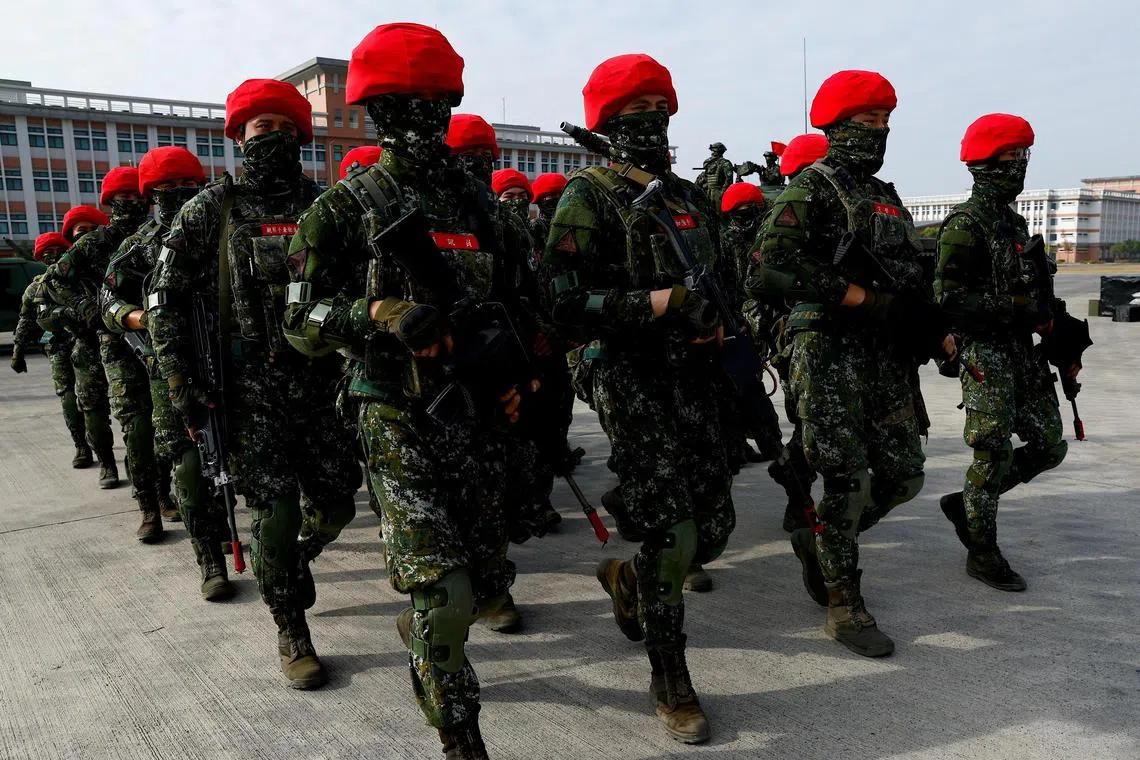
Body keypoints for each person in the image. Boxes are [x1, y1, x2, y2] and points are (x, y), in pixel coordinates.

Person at [282, 24, 539, 757]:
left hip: (479, 414)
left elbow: (523, 307)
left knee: (488, 580)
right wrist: (378, 313)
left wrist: (515, 380)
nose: (420, 112)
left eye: (434, 98)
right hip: (393, 409)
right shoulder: (343, 208)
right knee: (445, 590)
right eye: (402, 99)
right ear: (375, 109)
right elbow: (297, 317)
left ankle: (431, 626)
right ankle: (461, 738)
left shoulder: (484, 206)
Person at [540, 52, 734, 745]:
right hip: (631, 374)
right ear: (606, 122)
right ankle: (670, 674)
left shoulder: (686, 198)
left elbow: (723, 283)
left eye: (660, 110)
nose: (651, 122)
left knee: (714, 527)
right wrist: (657, 302)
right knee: (672, 529)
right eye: (635, 112)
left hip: (698, 379)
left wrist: (721, 327)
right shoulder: (587, 196)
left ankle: (627, 577)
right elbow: (559, 301)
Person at [146, 78, 361, 688]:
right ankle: (292, 627)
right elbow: (163, 299)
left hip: (323, 384)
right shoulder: (210, 209)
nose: (274, 138)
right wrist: (180, 378)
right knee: (274, 510)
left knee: (339, 498)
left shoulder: (327, 205)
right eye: (261, 128)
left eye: (286, 128)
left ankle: (289, 562)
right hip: (248, 390)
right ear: (238, 137)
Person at [747, 70, 954, 658]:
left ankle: (824, 543)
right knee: (847, 477)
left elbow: (910, 278)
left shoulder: (885, 197)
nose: (880, 131)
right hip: (829, 351)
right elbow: (769, 265)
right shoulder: (810, 188)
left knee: (903, 476)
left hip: (885, 357)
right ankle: (844, 603)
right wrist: (859, 297)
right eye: (869, 122)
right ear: (837, 126)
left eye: (886, 122)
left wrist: (933, 329)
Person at [934, 113, 1075, 591]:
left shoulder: (1015, 225)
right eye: (1008, 158)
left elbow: (1041, 294)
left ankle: (967, 502)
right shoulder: (964, 225)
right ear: (982, 165)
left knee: (1050, 444)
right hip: (986, 354)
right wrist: (1015, 308)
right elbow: (948, 299)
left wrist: (1061, 336)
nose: (1017, 167)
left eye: (1022, 157)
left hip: (1023, 354)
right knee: (991, 454)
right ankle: (982, 547)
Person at [101, 145, 236, 600]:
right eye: (169, 187)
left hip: (232, 364)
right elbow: (110, 302)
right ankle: (210, 559)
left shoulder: (225, 233)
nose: (181, 194)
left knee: (230, 459)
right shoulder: (139, 246)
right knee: (190, 463)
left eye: (188, 186)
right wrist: (142, 318)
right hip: (171, 372)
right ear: (151, 194)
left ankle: (222, 526)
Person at [11, 232, 91, 468]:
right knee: (67, 397)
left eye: (57, 251)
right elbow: (25, 320)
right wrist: (18, 350)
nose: (51, 256)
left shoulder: (81, 281)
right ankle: (81, 446)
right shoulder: (35, 288)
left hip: (85, 343)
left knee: (93, 399)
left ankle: (99, 441)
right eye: (46, 253)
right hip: (56, 347)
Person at [529, 172, 568, 265]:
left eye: (562, 195)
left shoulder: (573, 224)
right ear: (540, 200)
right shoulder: (535, 227)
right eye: (552, 195)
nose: (559, 199)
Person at [694, 142, 734, 209]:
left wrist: (722, 192)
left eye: (714, 150)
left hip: (718, 191)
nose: (712, 152)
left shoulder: (725, 163)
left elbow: (729, 180)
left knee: (719, 213)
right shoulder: (709, 163)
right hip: (708, 192)